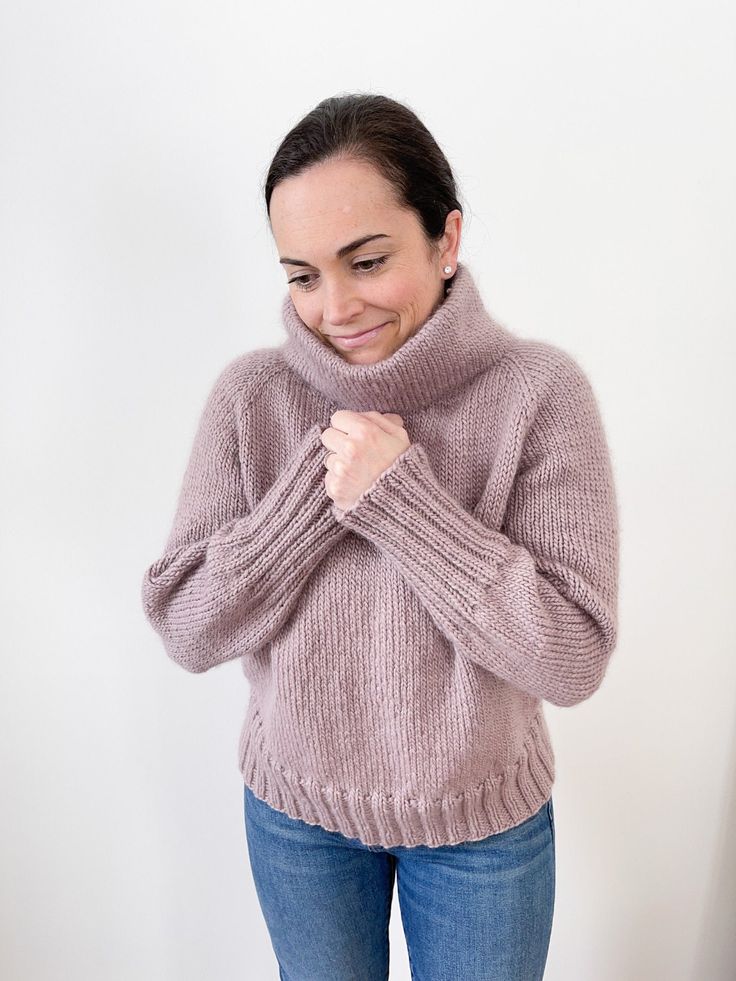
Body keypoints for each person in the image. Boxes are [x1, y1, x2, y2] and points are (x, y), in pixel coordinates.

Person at [141, 92, 620, 980]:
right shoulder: (253, 399)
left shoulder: (540, 395)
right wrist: (313, 495)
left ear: (446, 237)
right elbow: (186, 624)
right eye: (302, 274)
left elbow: (573, 657)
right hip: (298, 819)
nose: (335, 305)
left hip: (483, 827)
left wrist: (403, 500)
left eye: (367, 260)